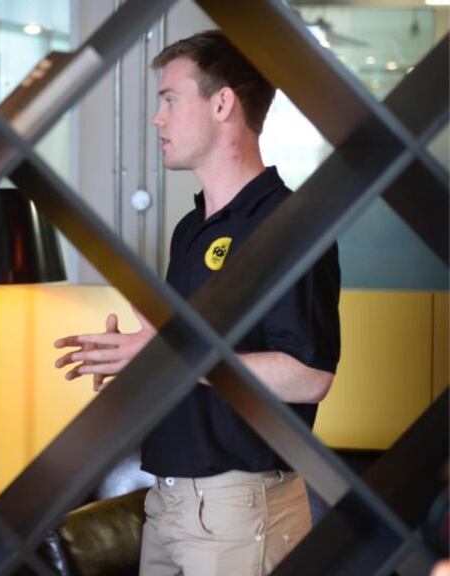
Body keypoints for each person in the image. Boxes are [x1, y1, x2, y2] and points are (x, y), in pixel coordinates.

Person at [54, 30, 341, 575]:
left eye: (169, 100)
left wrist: (166, 355)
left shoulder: (288, 224)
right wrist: (139, 358)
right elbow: (186, 360)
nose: (157, 119)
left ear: (223, 102)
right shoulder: (191, 229)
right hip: (167, 503)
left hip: (239, 509)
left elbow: (309, 376)